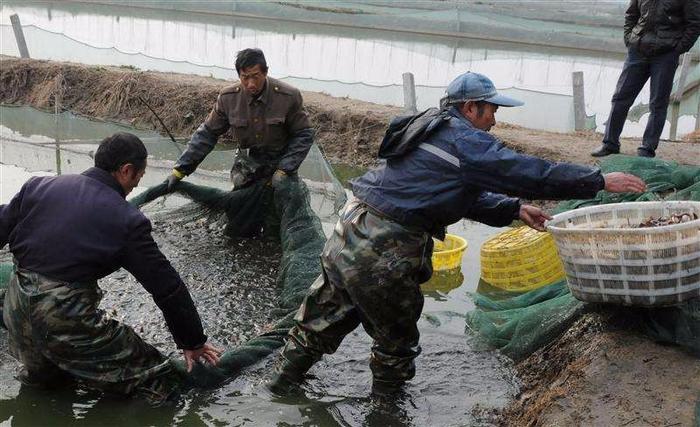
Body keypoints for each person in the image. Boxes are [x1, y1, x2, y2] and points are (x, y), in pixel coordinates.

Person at [268, 71, 647, 396]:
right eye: (492, 109)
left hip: (350, 230)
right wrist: (596, 179)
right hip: (385, 245)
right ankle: (386, 412)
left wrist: (513, 208)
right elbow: (526, 171)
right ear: (470, 108)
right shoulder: (465, 140)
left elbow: (444, 192)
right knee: (396, 344)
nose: (495, 119)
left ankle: (277, 390)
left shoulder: (427, 129)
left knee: (317, 323)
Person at [0, 133, 221, 402]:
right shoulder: (126, 219)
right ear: (127, 171)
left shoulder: (38, 186)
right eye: (140, 176)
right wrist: (192, 342)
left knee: (46, 387)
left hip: (16, 309)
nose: (137, 183)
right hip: (63, 316)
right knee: (157, 379)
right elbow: (166, 287)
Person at [166, 48, 314, 191]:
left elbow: (304, 134)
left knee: (280, 206)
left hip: (280, 165)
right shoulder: (228, 98)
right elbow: (207, 134)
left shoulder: (288, 96)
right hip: (245, 167)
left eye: (255, 76)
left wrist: (285, 169)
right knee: (240, 210)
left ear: (265, 72)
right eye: (245, 77)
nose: (251, 84)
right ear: (239, 75)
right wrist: (180, 170)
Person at [591, 0, 700, 158]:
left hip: (665, 54)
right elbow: (631, 14)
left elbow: (695, 23)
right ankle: (609, 143)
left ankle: (647, 149)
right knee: (620, 97)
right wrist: (630, 39)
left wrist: (677, 49)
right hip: (638, 50)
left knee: (658, 103)